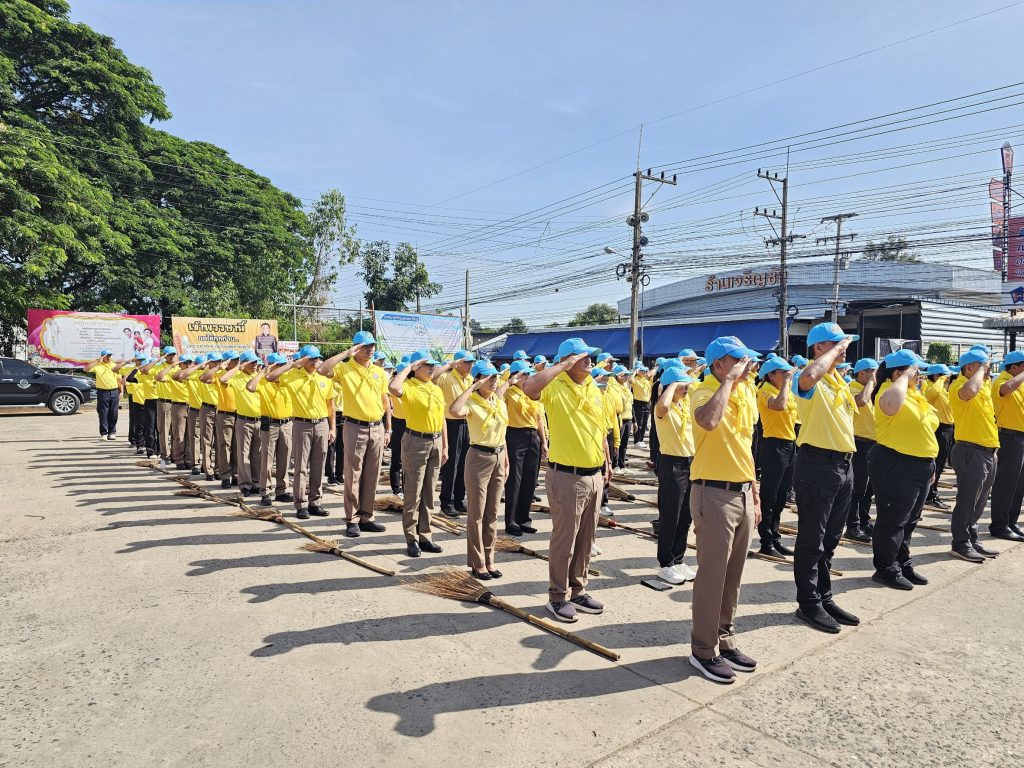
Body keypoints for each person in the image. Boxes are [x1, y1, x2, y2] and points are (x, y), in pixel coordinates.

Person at [687, 336, 761, 684]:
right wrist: (729, 381)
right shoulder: (702, 391)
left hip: (742, 492)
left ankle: (725, 640)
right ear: (718, 364)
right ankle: (703, 650)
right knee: (712, 577)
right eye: (739, 361)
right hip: (713, 493)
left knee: (733, 577)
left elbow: (745, 446)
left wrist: (755, 496)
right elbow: (708, 421)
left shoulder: (746, 391)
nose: (747, 366)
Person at [522, 338, 610, 624]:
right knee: (565, 540)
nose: (590, 360)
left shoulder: (592, 386)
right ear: (567, 360)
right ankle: (557, 596)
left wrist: (607, 463)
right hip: (567, 476)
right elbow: (529, 388)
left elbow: (599, 427)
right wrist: (562, 365)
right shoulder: (555, 385)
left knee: (586, 539)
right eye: (583, 356)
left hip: (593, 474)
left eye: (590, 355)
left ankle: (578, 590)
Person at [791, 322, 861, 634]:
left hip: (843, 465)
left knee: (831, 539)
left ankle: (824, 596)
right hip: (817, 464)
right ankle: (808, 602)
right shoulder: (808, 376)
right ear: (819, 347)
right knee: (812, 539)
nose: (843, 348)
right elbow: (808, 378)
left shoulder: (837, 380)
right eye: (835, 343)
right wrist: (834, 351)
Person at [869, 351, 937, 589]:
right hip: (896, 463)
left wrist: (930, 464)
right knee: (893, 521)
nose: (920, 375)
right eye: (915, 371)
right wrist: (904, 376)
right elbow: (890, 405)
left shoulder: (913, 394)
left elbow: (925, 429)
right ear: (898, 373)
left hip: (920, 464)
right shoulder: (888, 392)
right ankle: (885, 568)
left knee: (910, 520)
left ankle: (901, 562)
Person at [318, 331, 391, 537]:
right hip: (355, 427)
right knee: (353, 474)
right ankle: (352, 519)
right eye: (365, 346)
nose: (370, 349)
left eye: (372, 345)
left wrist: (388, 428)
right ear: (356, 348)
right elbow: (322, 369)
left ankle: (367, 516)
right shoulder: (344, 368)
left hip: (377, 427)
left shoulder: (378, 371)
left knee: (372, 474)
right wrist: (346, 353)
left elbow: (385, 401)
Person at [449, 359, 510, 579]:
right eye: (488, 377)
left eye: (495, 377)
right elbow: (454, 410)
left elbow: (502, 432)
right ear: (477, 380)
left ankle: (490, 558)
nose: (493, 381)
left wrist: (506, 459)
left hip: (498, 456)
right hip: (478, 457)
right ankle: (478, 562)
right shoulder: (472, 402)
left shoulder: (499, 402)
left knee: (493, 512)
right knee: (477, 513)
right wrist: (473, 387)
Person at [388, 351, 447, 557]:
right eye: (427, 365)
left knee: (429, 493)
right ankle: (411, 538)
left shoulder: (435, 388)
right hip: (416, 441)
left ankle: (426, 536)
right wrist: (409, 368)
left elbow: (442, 418)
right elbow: (393, 387)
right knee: (413, 493)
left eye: (433, 365)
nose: (432, 368)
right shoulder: (409, 386)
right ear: (416, 367)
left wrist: (445, 446)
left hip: (436, 441)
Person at [267, 346, 335, 519]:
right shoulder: (291, 375)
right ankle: (301, 503)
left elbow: (330, 404)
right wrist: (292, 364)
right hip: (301, 424)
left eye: (317, 358)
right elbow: (270, 377)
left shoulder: (323, 376)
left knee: (319, 466)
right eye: (311, 358)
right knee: (301, 466)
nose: (315, 361)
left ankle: (315, 502)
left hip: (322, 424)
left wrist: (332, 427)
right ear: (303, 359)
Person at [948, 348, 1001, 561]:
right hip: (970, 450)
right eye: (984, 367)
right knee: (968, 501)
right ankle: (960, 543)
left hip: (988, 451)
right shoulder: (958, 386)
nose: (988, 371)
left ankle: (971, 538)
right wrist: (980, 370)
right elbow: (968, 392)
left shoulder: (983, 385)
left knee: (979, 502)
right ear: (969, 368)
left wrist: (994, 451)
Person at [652, 365, 697, 585]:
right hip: (672, 464)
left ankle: (678, 559)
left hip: (691, 463)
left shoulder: (684, 405)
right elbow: (662, 406)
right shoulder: (663, 408)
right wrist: (671, 385)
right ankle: (666, 563)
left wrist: (684, 380)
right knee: (671, 516)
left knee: (686, 516)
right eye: (681, 386)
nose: (685, 388)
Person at [755, 355, 797, 557]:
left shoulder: (785, 390)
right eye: (783, 372)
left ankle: (775, 536)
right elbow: (779, 406)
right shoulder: (765, 390)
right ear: (771, 375)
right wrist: (788, 382)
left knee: (781, 496)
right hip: (774, 445)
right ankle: (766, 541)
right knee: (769, 496)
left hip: (789, 444)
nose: (788, 375)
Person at [503, 360, 546, 536]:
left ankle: (524, 519)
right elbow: (495, 399)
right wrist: (509, 383)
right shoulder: (508, 393)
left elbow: (539, 418)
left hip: (532, 436)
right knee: (515, 480)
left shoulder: (532, 393)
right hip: (515, 435)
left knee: (530, 480)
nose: (527, 377)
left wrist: (544, 442)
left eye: (528, 374)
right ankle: (511, 521)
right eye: (523, 374)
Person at [247, 353, 294, 507]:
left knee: (284, 458)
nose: (282, 368)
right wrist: (263, 371)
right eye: (279, 365)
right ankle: (265, 491)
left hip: (287, 424)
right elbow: (250, 387)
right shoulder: (263, 382)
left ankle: (282, 490)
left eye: (283, 365)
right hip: (270, 425)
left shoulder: (287, 380)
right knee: (267, 460)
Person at [988, 350, 1024, 542]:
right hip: (1008, 437)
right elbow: (1007, 389)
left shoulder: (1020, 383)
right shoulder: (1001, 381)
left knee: (1018, 484)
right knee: (1006, 483)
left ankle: (1011, 522)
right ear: (1014, 367)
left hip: (1020, 437)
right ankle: (999, 525)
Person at [436, 349, 476, 518]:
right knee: (451, 466)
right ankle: (447, 502)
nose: (470, 365)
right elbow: (433, 377)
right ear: (458, 363)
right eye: (467, 362)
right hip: (451, 424)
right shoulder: (446, 378)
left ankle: (459, 500)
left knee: (464, 465)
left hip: (468, 423)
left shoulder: (471, 379)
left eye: (472, 362)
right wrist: (448, 365)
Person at [847, 358, 879, 542]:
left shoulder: (870, 389)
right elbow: (861, 401)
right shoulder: (852, 388)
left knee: (869, 488)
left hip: (873, 443)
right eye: (872, 372)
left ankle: (864, 521)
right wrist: (870, 384)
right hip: (859, 442)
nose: (875, 376)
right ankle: (852, 525)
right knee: (858, 488)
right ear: (861, 373)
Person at [222, 351, 263, 496]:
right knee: (243, 453)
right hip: (244, 420)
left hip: (260, 420)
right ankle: (245, 484)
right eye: (251, 362)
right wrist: (238, 367)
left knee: (257, 454)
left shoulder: (259, 377)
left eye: (255, 362)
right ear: (244, 363)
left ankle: (256, 482)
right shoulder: (236, 377)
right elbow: (223, 379)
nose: (254, 365)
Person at [203, 351, 240, 488]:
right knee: (225, 446)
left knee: (238, 447)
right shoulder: (219, 374)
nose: (237, 362)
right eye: (234, 360)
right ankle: (225, 476)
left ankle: (236, 475)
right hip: (225, 415)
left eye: (238, 360)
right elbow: (203, 378)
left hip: (240, 415)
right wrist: (219, 366)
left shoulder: (240, 374)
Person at [922, 364, 954, 510]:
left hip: (948, 428)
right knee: (935, 463)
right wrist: (940, 380)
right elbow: (930, 395)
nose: (947, 379)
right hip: (938, 428)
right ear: (936, 376)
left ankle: (932, 493)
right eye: (945, 376)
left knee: (940, 464)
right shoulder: (929, 386)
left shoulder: (943, 388)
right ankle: (929, 495)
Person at [158, 353, 192, 470]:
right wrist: (171, 366)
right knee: (179, 435)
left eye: (189, 362)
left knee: (190, 436)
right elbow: (159, 377)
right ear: (180, 364)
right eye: (185, 363)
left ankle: (188, 459)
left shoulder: (193, 374)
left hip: (192, 406)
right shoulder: (174, 375)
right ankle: (179, 459)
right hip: (179, 406)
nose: (188, 365)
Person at [85, 349, 120, 440]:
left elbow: (119, 379)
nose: (108, 357)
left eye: (109, 355)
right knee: (103, 413)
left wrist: (121, 391)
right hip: (103, 392)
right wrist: (98, 360)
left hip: (114, 391)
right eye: (107, 356)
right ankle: (104, 433)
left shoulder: (114, 365)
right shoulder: (97, 365)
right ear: (102, 356)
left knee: (114, 413)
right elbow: (86, 369)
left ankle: (112, 432)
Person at [196, 354, 221, 481]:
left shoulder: (222, 373)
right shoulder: (203, 373)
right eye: (215, 361)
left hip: (221, 409)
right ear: (209, 362)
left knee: (220, 441)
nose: (218, 363)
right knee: (207, 440)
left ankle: (218, 469)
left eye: (219, 361)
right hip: (207, 408)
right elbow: (203, 377)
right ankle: (208, 469)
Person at [153, 346, 178, 466]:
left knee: (176, 431)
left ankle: (175, 453)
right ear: (165, 355)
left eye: (174, 354)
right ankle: (165, 454)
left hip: (177, 402)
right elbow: (158, 376)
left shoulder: (180, 367)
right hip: (164, 402)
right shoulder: (159, 367)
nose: (172, 357)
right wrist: (169, 367)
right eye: (169, 355)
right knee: (164, 430)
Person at [388, 358, 407, 496]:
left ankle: (407, 487)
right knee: (397, 458)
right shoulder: (393, 385)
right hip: (398, 422)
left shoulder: (412, 384)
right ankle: (396, 488)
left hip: (411, 422)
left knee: (408, 459)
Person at [610, 365, 634, 471]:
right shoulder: (613, 386)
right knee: (617, 443)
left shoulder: (626, 387)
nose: (626, 377)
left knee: (624, 443)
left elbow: (630, 404)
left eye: (627, 375)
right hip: (619, 418)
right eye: (623, 375)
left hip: (628, 418)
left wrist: (634, 420)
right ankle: (615, 465)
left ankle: (622, 464)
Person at [631, 364, 653, 446]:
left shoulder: (646, 381)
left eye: (645, 371)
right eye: (642, 371)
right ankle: (637, 441)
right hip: (638, 403)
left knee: (644, 424)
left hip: (647, 404)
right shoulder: (635, 380)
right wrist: (634, 372)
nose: (644, 372)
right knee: (639, 424)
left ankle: (641, 440)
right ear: (638, 371)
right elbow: (630, 380)